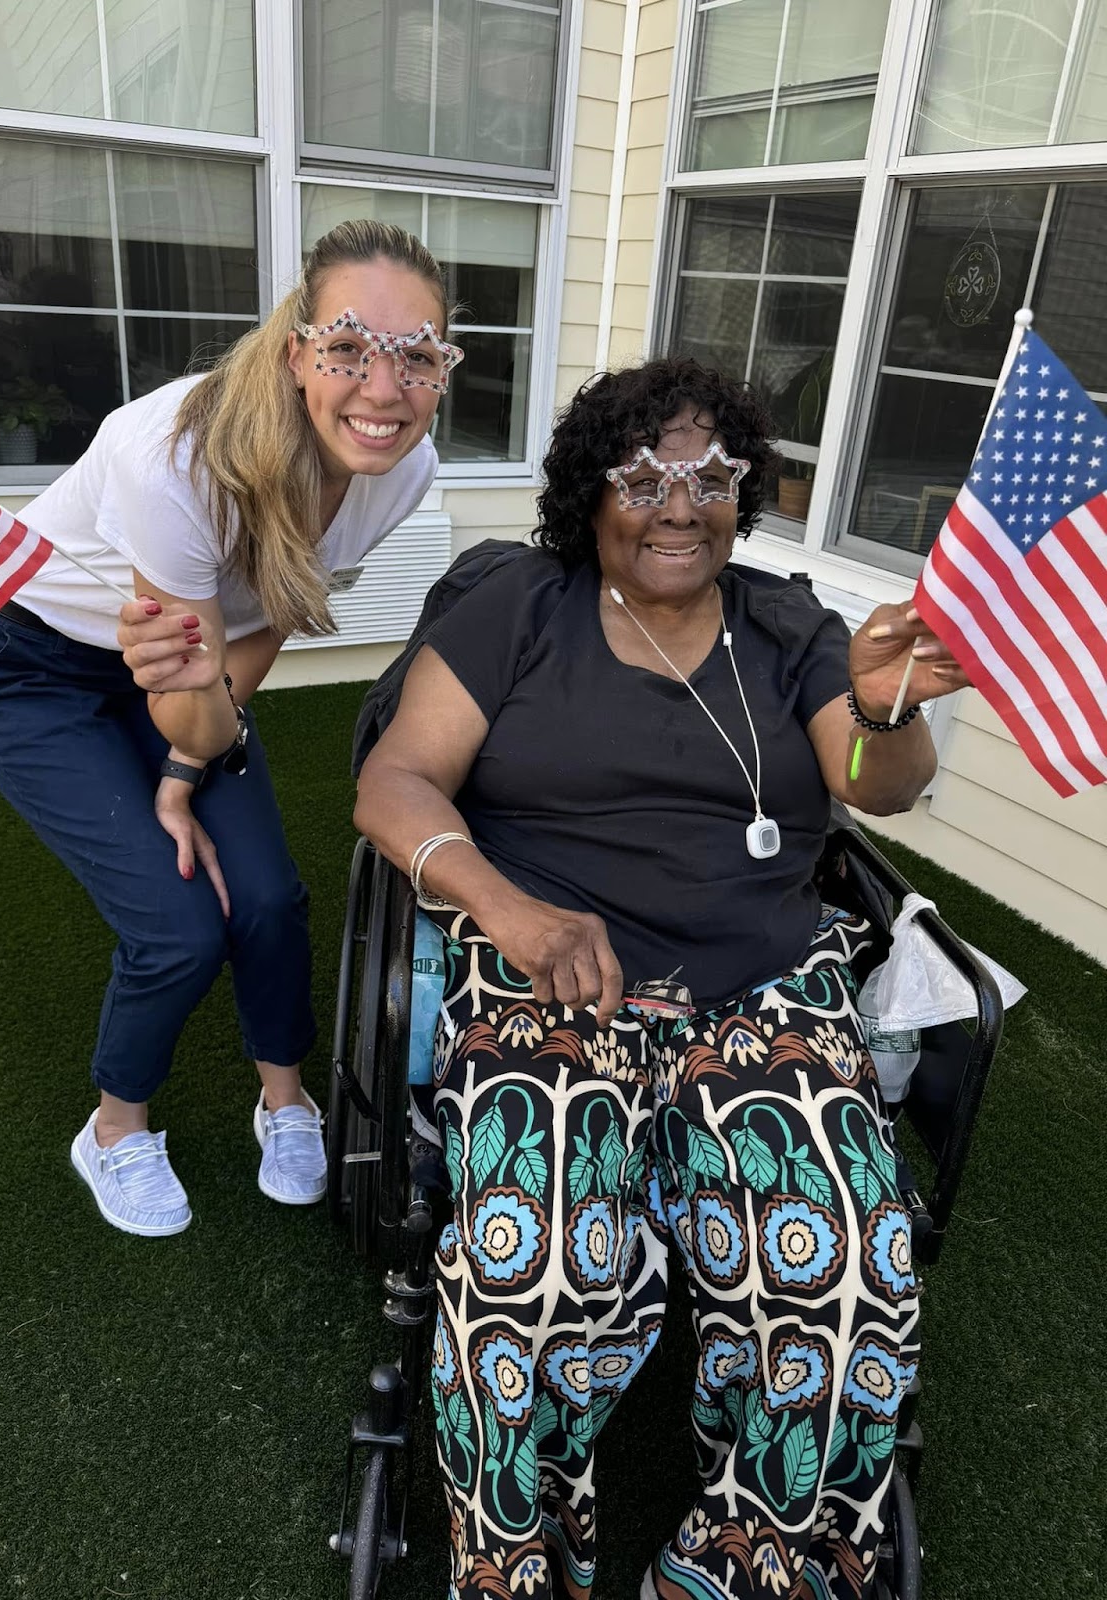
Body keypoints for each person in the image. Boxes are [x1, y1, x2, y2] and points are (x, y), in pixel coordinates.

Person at [354, 356, 971, 1600]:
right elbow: (395, 784)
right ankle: (524, 1570)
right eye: (643, 475)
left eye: (711, 475)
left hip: (760, 991)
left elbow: (874, 784)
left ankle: (738, 1565)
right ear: (594, 495)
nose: (677, 503)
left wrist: (887, 705)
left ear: (746, 492)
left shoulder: (791, 628)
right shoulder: (519, 609)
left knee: (848, 1271)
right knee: (528, 1270)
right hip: (549, 980)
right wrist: (511, 912)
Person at [0, 220, 463, 1239]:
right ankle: (113, 1126)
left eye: (419, 356)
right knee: (179, 924)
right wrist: (183, 764)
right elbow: (180, 678)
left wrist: (186, 777)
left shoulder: (402, 470)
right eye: (351, 346)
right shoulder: (172, 456)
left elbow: (263, 617)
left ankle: (285, 1097)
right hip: (39, 666)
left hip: (190, 670)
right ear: (294, 350)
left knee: (267, 895)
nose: (384, 385)